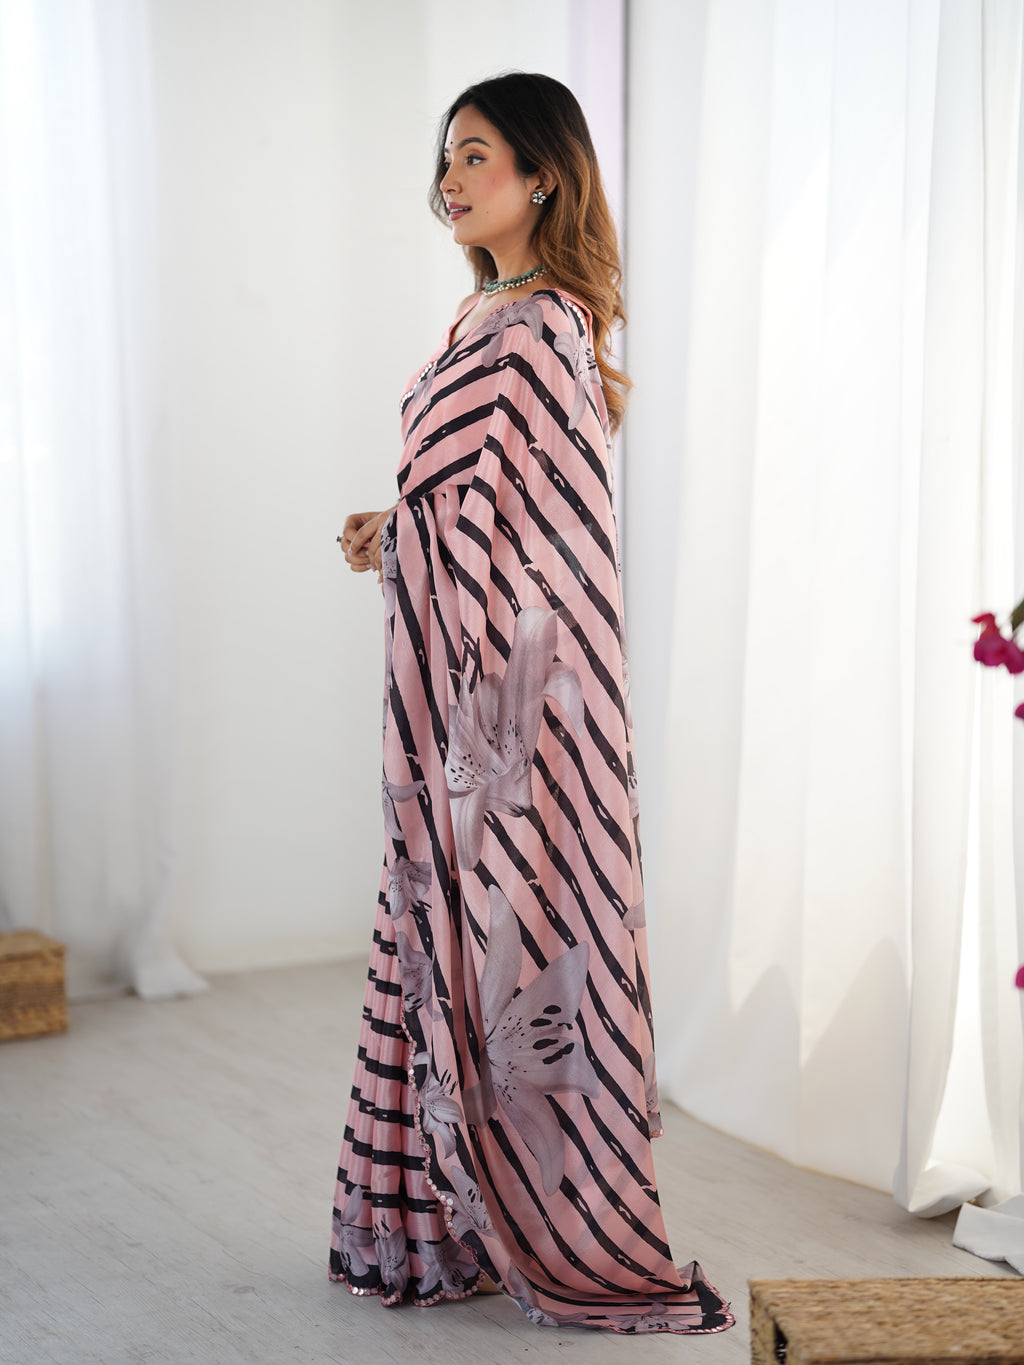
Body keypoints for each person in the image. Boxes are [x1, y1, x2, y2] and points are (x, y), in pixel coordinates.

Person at [332, 72, 733, 1337]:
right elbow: (458, 496)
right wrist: (398, 531)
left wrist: (417, 539)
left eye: (476, 155)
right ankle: (439, 1216)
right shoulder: (479, 318)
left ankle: (552, 1215)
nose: (449, 180)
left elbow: (545, 536)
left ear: (542, 173)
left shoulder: (544, 326)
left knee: (521, 939)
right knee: (436, 927)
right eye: (444, 158)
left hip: (514, 711)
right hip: (451, 691)